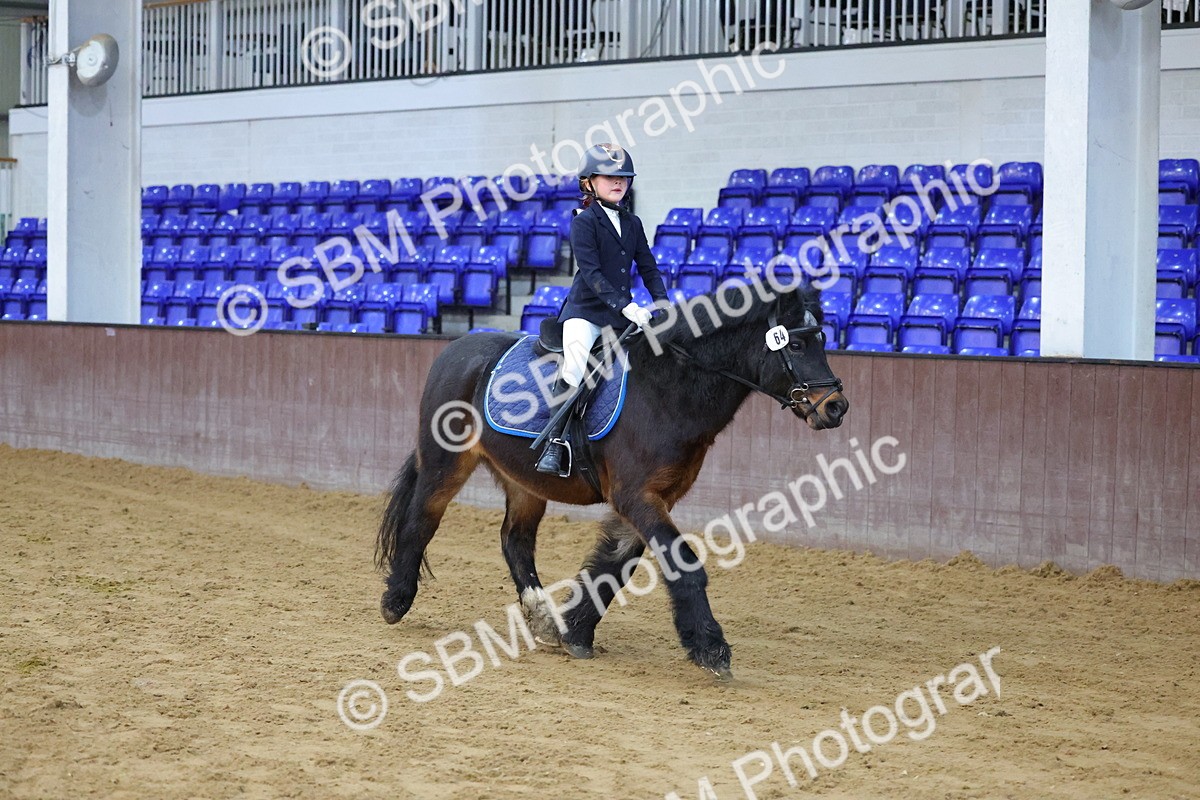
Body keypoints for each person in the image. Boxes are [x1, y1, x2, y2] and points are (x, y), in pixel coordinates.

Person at [535, 143, 670, 476]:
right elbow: (592, 274)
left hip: (619, 315)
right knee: (575, 367)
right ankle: (555, 442)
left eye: (623, 177)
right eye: (610, 176)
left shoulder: (633, 223)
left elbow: (649, 267)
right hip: (586, 312)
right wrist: (627, 307)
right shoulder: (584, 222)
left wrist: (663, 304)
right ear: (589, 182)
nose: (618, 182)